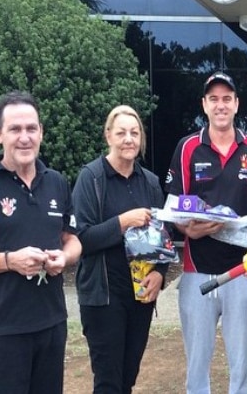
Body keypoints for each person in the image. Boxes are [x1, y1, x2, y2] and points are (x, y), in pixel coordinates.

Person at [166, 72, 247, 394]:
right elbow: (171, 208)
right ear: (204, 105)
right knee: (197, 364)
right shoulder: (187, 148)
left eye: (227, 99)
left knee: (242, 365)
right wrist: (187, 229)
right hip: (198, 273)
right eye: (214, 99)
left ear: (236, 104)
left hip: (241, 272)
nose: (220, 105)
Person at [72, 105, 166, 393]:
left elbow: (163, 237)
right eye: (122, 132)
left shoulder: (149, 182)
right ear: (108, 136)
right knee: (108, 382)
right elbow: (82, 240)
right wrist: (122, 222)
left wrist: (160, 273)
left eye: (135, 133)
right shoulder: (92, 178)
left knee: (128, 378)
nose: (129, 139)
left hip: (139, 296)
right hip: (103, 298)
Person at [0, 90, 82, 394]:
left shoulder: (56, 182)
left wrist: (65, 257)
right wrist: (10, 261)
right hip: (5, 330)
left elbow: (72, 238)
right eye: (15, 129)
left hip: (52, 323)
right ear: (0, 135)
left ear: (41, 133)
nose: (24, 137)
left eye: (31, 129)